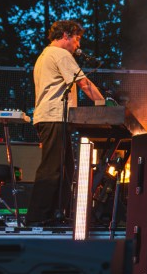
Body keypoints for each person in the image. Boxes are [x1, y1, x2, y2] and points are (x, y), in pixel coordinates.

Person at [26, 20, 105, 226]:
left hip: (50, 117)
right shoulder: (60, 54)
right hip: (54, 117)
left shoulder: (44, 55)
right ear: (66, 36)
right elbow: (84, 83)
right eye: (77, 39)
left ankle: (55, 214)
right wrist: (105, 105)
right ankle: (38, 217)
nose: (78, 45)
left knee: (65, 167)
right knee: (52, 168)